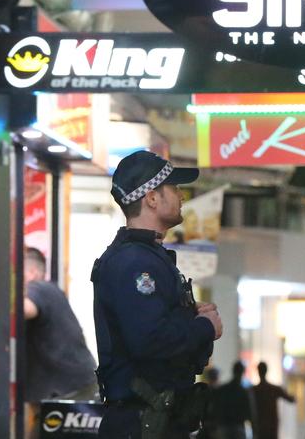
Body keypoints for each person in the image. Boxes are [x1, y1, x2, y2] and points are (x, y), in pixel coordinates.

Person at [92, 150, 223, 439]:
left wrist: (189, 314)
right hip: (142, 423)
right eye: (173, 189)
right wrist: (204, 326)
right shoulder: (136, 263)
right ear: (151, 198)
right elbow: (149, 340)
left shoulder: (146, 256)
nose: (181, 196)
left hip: (153, 420)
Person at [24, 247, 98, 438]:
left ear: (31, 272)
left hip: (70, 391)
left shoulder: (38, 288)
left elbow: (25, 309)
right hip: (74, 386)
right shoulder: (51, 291)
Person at [251, 361, 295, 439]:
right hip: (272, 426)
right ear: (266, 371)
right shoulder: (274, 389)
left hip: (259, 425)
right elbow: (291, 399)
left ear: (258, 371)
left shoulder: (254, 390)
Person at [217, 361, 253, 439]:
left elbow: (219, 408)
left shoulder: (224, 389)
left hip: (225, 426)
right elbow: (250, 412)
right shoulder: (244, 391)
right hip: (238, 426)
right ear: (243, 372)